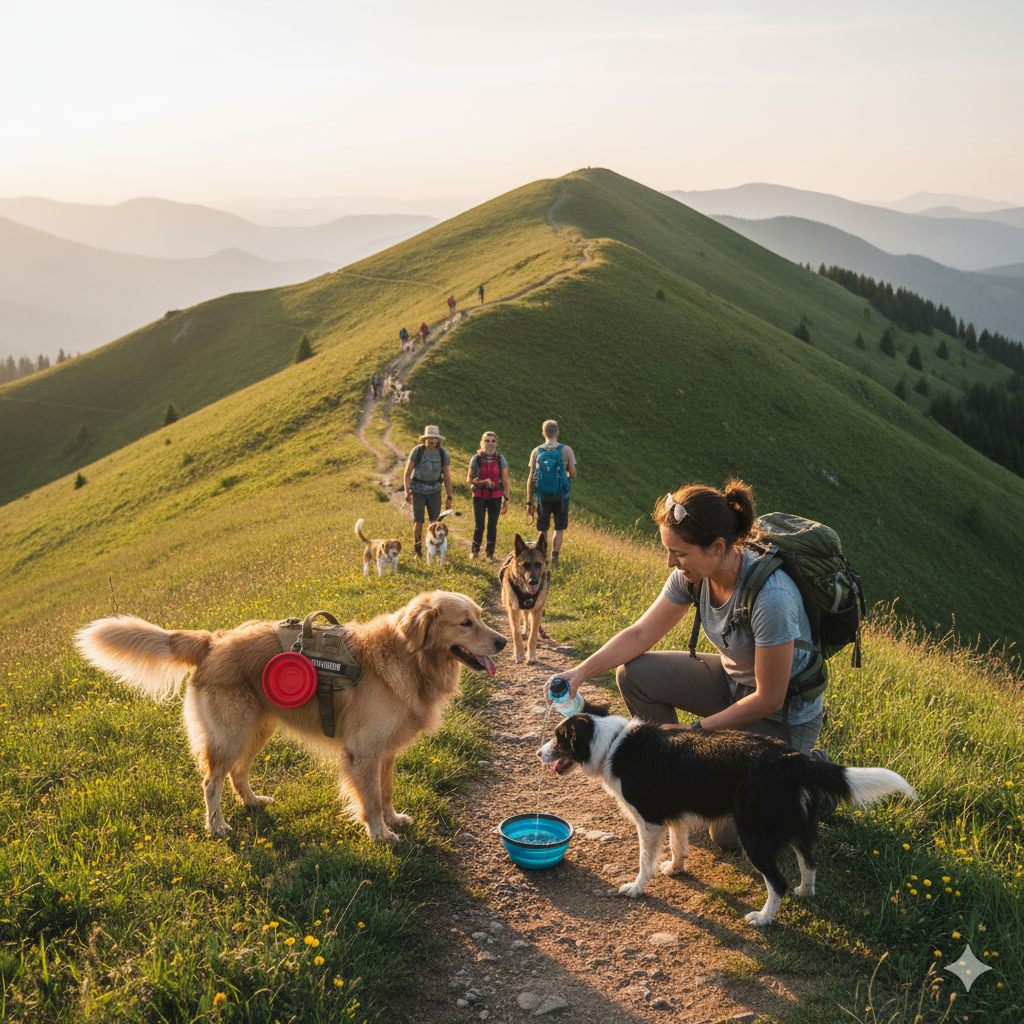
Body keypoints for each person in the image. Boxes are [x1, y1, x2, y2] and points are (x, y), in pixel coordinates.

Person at [545, 479, 830, 849]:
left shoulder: (771, 597)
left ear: (717, 547)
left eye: (678, 553)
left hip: (780, 712)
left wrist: (693, 733)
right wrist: (579, 672)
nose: (670, 563)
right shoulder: (692, 576)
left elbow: (769, 698)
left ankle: (810, 777)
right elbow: (639, 636)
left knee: (726, 835)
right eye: (668, 550)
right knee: (634, 674)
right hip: (731, 684)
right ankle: (676, 774)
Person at [526, 419, 576, 567]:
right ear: (557, 433)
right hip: (561, 496)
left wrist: (529, 501)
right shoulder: (566, 450)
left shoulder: (536, 451)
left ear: (543, 433)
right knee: (559, 528)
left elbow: (531, 477)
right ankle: (555, 557)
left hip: (542, 496)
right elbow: (573, 474)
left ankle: (542, 555)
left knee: (543, 529)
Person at [403, 425, 453, 558]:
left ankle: (434, 549)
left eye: (434, 439)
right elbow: (407, 473)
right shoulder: (417, 451)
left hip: (435, 492)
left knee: (434, 522)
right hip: (418, 491)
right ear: (424, 440)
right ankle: (417, 551)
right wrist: (407, 491)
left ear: (438, 440)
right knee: (418, 521)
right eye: (429, 438)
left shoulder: (443, 453)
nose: (431, 441)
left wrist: (449, 496)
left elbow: (447, 475)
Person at [467, 431, 510, 559]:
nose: (490, 444)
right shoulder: (476, 459)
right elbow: (469, 478)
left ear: (496, 443)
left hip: (496, 497)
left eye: (493, 441)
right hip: (479, 496)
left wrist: (506, 500)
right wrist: (482, 482)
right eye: (487, 441)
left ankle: (489, 554)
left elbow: (506, 481)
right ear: (482, 443)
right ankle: (474, 552)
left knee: (492, 526)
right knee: (479, 526)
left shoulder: (501, 459)